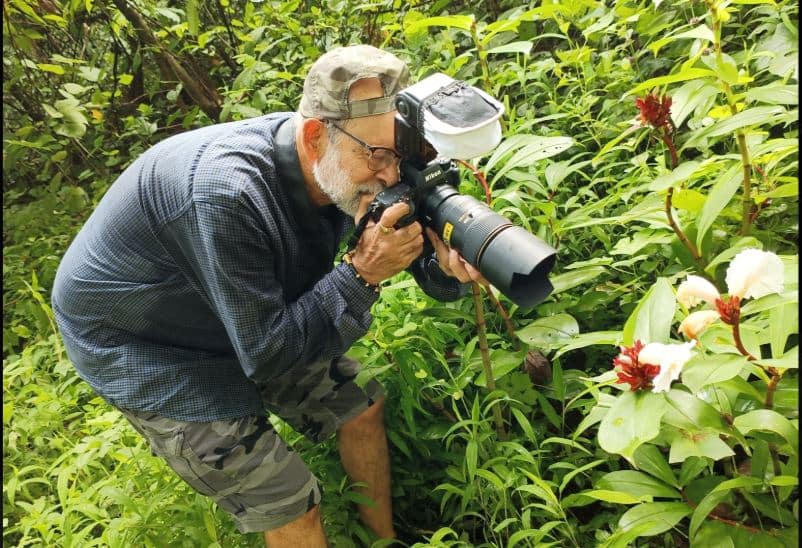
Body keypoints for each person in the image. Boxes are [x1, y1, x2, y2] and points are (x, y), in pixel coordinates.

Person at [51, 44, 487, 546]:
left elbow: (411, 254)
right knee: (289, 498)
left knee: (360, 404)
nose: (391, 175)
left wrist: (444, 264)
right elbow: (268, 356)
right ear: (314, 135)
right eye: (378, 155)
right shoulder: (228, 193)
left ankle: (384, 541)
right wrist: (363, 271)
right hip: (142, 336)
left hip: (236, 303)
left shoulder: (344, 162)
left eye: (400, 154)